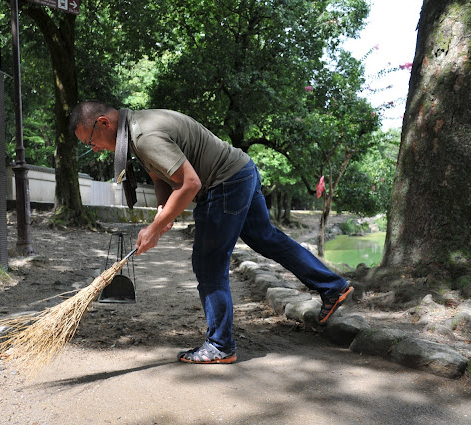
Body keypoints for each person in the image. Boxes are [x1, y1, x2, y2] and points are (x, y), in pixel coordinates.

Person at [69, 101, 353, 364]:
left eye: (90, 141)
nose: (93, 148)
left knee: (208, 262)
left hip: (224, 182)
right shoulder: (136, 131)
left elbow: (190, 183)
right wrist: (162, 210)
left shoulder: (144, 136)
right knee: (265, 238)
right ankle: (332, 286)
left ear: (104, 123)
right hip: (241, 170)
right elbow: (161, 178)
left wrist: (154, 228)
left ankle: (220, 345)